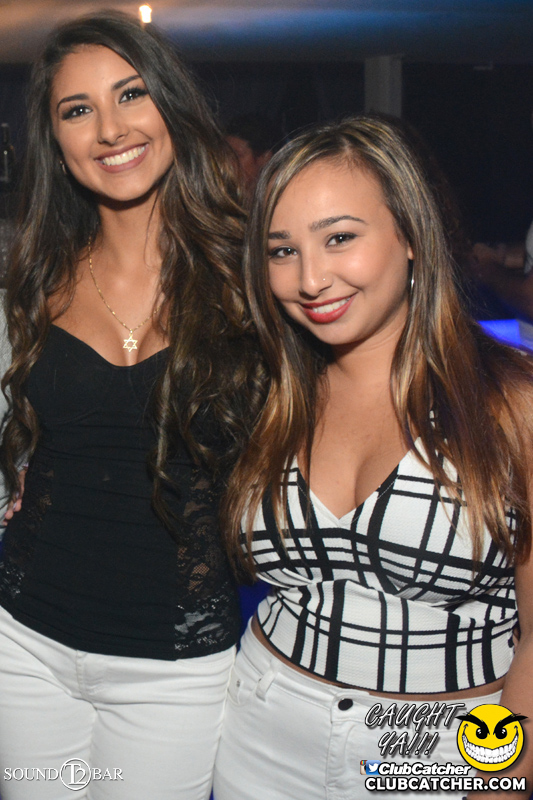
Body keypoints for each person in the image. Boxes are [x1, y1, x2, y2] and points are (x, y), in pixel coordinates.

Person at [214, 116, 533, 800]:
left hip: (439, 747)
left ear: (411, 235)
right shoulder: (268, 394)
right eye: (281, 250)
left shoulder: (510, 403)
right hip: (263, 727)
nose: (310, 279)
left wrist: (502, 780)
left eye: (339, 238)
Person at [0, 11, 254, 800]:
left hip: (172, 669)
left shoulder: (255, 277)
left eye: (131, 94)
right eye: (77, 110)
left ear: (171, 103)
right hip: (24, 642)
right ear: (56, 140)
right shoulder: (32, 280)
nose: (109, 129)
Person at [225, 113, 281, 201]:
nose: (227, 163)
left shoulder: (277, 201)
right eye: (225, 155)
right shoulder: (219, 199)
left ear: (265, 157)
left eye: (237, 156)